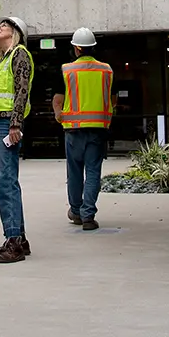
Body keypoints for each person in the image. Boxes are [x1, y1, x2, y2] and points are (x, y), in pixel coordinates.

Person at [0, 14, 34, 263]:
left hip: (6, 124)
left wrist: (16, 123)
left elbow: (22, 90)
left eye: (5, 25)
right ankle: (19, 237)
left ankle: (14, 242)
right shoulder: (2, 58)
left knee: (6, 181)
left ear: (16, 32)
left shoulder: (20, 54)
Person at [51, 27, 114, 231]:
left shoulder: (66, 70)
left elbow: (58, 100)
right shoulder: (107, 70)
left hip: (73, 130)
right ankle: (89, 216)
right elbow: (113, 98)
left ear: (76, 48)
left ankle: (76, 212)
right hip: (97, 129)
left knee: (75, 172)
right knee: (93, 172)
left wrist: (58, 114)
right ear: (92, 48)